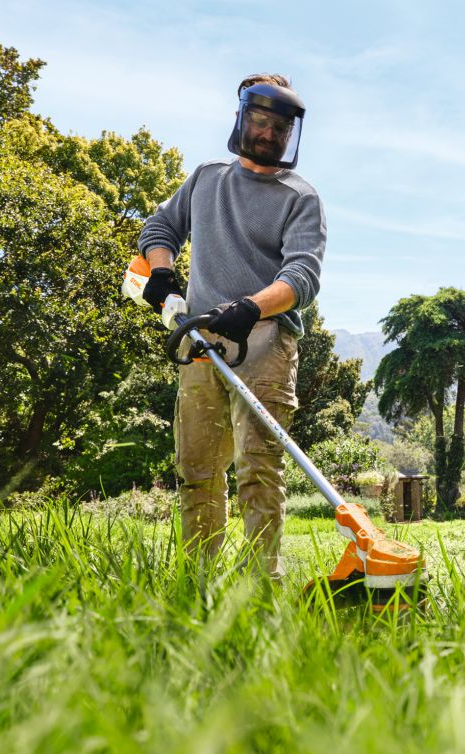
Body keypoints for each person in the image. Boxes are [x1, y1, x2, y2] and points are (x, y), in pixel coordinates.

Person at [138, 73, 326, 579]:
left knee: (259, 471)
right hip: (199, 339)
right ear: (242, 118)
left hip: (265, 340)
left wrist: (251, 307)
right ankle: (198, 583)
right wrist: (161, 269)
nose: (269, 134)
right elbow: (158, 228)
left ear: (291, 134)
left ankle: (262, 587)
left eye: (280, 127)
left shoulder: (300, 197)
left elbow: (302, 276)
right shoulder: (206, 178)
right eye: (261, 121)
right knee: (198, 471)